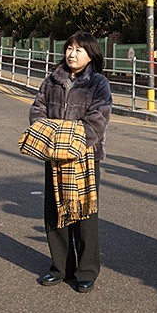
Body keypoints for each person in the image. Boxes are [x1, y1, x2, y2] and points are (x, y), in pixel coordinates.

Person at [29, 31, 112, 293]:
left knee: (84, 213)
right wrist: (53, 138)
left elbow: (98, 119)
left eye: (79, 50)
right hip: (55, 156)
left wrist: (69, 140)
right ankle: (60, 267)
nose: (72, 54)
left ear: (91, 55)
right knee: (55, 211)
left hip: (85, 156)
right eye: (69, 48)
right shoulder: (51, 81)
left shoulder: (98, 83)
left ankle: (86, 270)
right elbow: (37, 110)